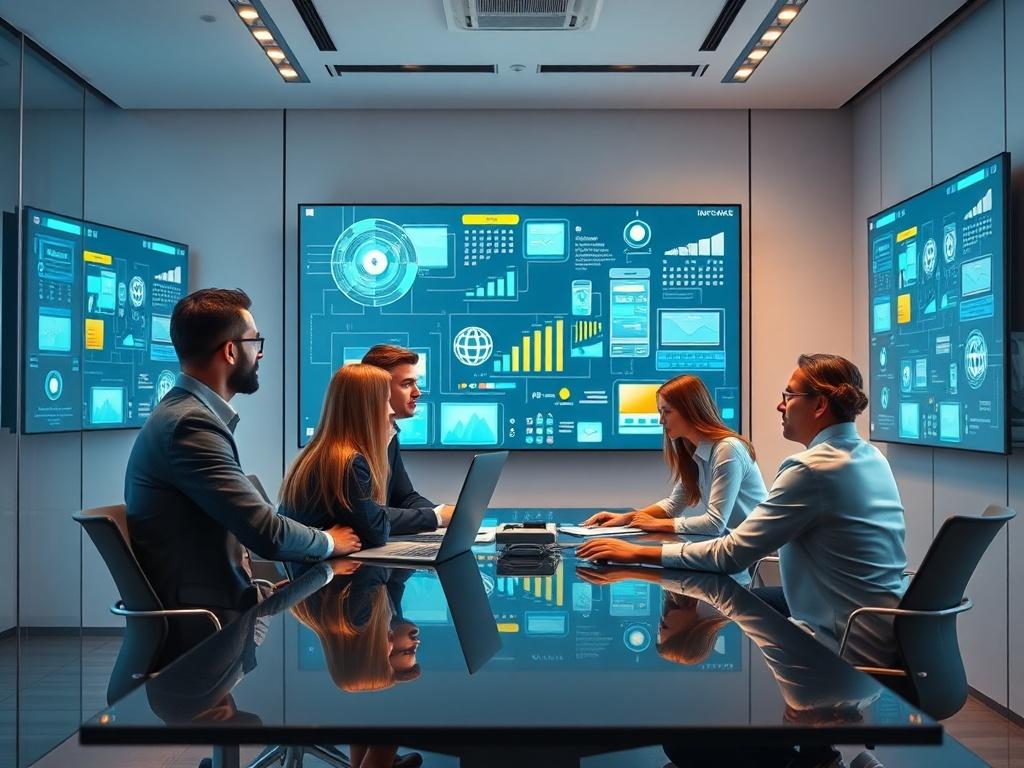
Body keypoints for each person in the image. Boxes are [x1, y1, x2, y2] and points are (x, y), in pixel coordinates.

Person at [578, 354, 908, 667]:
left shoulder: (809, 469)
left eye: (789, 395)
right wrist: (631, 522)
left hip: (843, 640)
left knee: (738, 627)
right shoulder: (872, 456)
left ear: (820, 405)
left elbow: (731, 554)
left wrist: (635, 553)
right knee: (737, 612)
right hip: (882, 626)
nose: (780, 405)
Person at [125, 288, 360, 666]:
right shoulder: (190, 425)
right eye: (256, 342)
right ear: (231, 351)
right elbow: (267, 533)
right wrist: (329, 542)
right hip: (208, 636)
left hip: (227, 611)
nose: (261, 352)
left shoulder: (189, 416)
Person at [581, 375, 767, 545]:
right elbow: (673, 506)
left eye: (666, 412)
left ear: (690, 410)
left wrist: (656, 524)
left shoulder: (728, 449)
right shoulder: (694, 452)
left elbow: (714, 524)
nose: (661, 421)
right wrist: (626, 518)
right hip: (736, 548)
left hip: (758, 557)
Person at [280, 364, 394, 547]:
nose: (391, 411)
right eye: (387, 402)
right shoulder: (350, 464)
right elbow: (378, 533)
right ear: (368, 410)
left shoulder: (323, 454)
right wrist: (381, 450)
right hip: (323, 570)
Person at [361, 344, 453, 534]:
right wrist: (436, 517)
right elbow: (369, 519)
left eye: (415, 383)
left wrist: (442, 515)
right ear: (377, 389)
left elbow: (405, 497)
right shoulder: (349, 449)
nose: (417, 392)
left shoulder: (389, 435)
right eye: (406, 384)